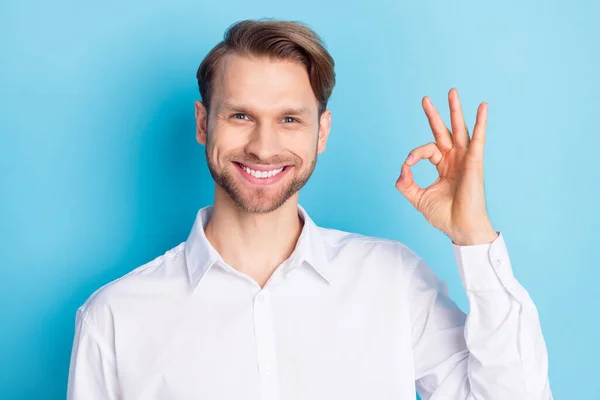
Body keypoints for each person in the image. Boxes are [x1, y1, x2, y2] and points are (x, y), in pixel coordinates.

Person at [67, 18, 553, 400]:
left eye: (290, 119)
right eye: (240, 116)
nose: (263, 146)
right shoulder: (114, 318)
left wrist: (474, 236)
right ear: (202, 123)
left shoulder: (394, 281)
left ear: (321, 132)